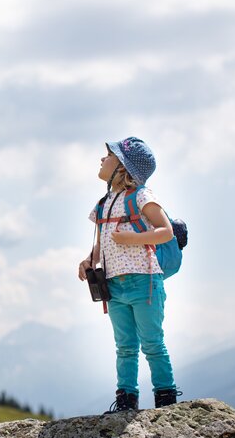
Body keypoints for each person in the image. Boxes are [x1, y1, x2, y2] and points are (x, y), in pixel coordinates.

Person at [77, 137, 181, 412]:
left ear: (123, 168)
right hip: (114, 285)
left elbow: (166, 231)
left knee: (152, 343)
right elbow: (101, 244)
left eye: (108, 155)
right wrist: (89, 260)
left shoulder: (142, 197)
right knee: (124, 346)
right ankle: (126, 399)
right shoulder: (103, 203)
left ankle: (166, 399)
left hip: (145, 281)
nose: (102, 159)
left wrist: (133, 239)